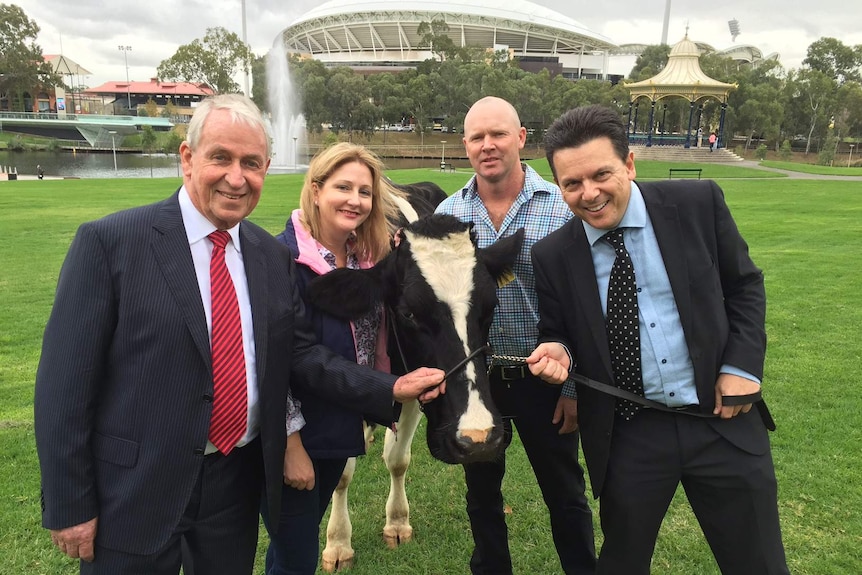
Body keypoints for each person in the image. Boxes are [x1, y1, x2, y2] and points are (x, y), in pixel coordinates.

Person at [34, 94, 445, 575]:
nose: (237, 177)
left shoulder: (267, 256)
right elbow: (64, 388)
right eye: (221, 158)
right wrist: (69, 504)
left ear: (266, 169)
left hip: (236, 478)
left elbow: (303, 357)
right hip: (139, 488)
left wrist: (389, 387)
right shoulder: (111, 243)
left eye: (251, 163)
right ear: (187, 159)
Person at [528, 104, 788, 574]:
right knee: (622, 563)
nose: (589, 194)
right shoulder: (552, 255)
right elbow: (559, 333)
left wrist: (741, 368)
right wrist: (557, 353)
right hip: (631, 431)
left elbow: (744, 286)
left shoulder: (698, 204)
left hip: (721, 417)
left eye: (601, 174)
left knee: (757, 562)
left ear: (629, 164)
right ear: (558, 185)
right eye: (571, 183)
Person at [435, 96, 596, 575]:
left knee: (564, 490)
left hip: (544, 378)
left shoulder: (561, 207)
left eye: (498, 134)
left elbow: (582, 306)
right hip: (480, 382)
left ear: (521, 138)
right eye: (477, 137)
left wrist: (571, 387)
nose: (488, 146)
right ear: (465, 146)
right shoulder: (447, 215)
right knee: (482, 493)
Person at [261, 142, 405, 574]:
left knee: (296, 548)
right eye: (343, 187)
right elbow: (275, 362)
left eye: (365, 192)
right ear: (316, 189)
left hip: (334, 426)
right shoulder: (281, 258)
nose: (355, 200)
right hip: (297, 437)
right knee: (296, 557)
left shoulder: (363, 259)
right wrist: (290, 446)